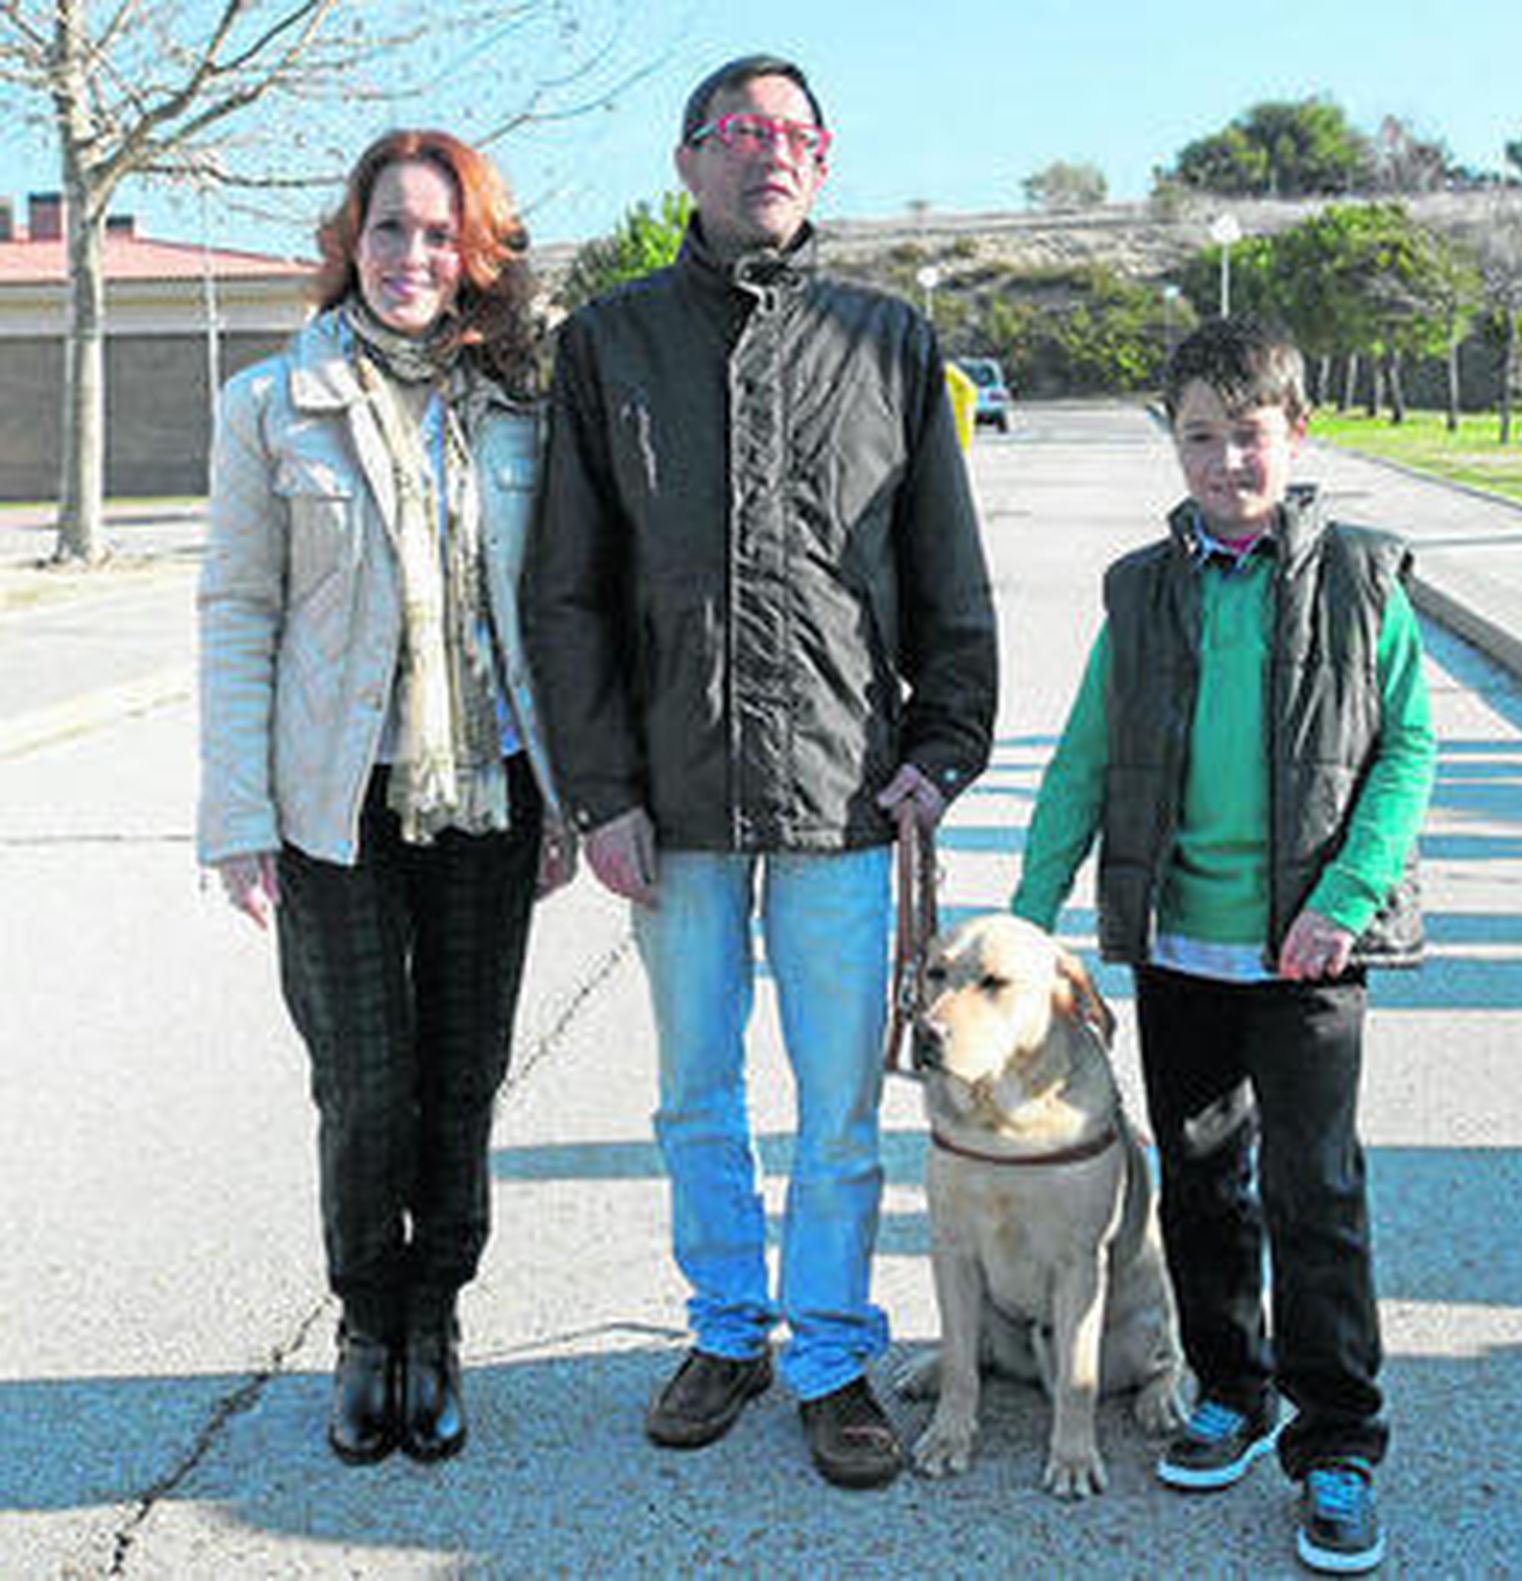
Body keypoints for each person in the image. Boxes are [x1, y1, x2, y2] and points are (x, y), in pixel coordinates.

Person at [530, 55, 997, 1489]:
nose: (767, 153)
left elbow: (946, 576)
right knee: (694, 1089)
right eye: (739, 130)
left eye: (793, 133)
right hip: (670, 803)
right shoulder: (608, 344)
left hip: (842, 791)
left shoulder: (889, 343)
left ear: (823, 160)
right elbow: (567, 590)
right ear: (688, 161)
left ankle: (832, 1353)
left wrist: (942, 748)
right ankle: (727, 1327)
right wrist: (600, 792)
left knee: (840, 1107)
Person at [1011, 316, 1435, 1574]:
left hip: (1309, 949)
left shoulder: (1361, 578)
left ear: (1294, 435)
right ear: (1174, 442)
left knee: (1315, 1194)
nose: (1225, 461)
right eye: (1199, 436)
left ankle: (1337, 1440)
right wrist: (1029, 918)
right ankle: (1230, 1392)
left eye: (1247, 435)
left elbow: (1405, 749)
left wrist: (1344, 897)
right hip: (1182, 947)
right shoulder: (1140, 592)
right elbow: (1084, 757)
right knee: (1201, 1184)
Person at [197, 128, 572, 1466]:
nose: (411, 254)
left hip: (493, 788)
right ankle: (366, 1325)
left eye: (437, 233)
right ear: (349, 242)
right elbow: (238, 613)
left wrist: (570, 797)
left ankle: (436, 1321)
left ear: (476, 254)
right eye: (388, 228)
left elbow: (554, 611)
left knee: (462, 1079)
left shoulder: (521, 409)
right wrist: (238, 817)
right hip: (334, 798)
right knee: (364, 1085)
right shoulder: (270, 404)